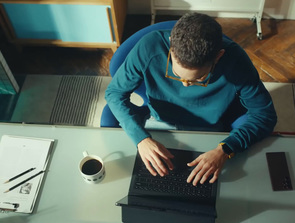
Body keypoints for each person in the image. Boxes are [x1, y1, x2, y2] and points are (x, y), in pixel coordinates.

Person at [105, 12, 277, 186]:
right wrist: (141, 139)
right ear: (171, 44)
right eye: (177, 75)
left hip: (208, 131)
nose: (185, 85)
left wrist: (225, 149)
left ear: (218, 57)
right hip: (159, 124)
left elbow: (265, 114)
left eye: (199, 78)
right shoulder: (150, 46)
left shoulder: (235, 61)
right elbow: (114, 93)